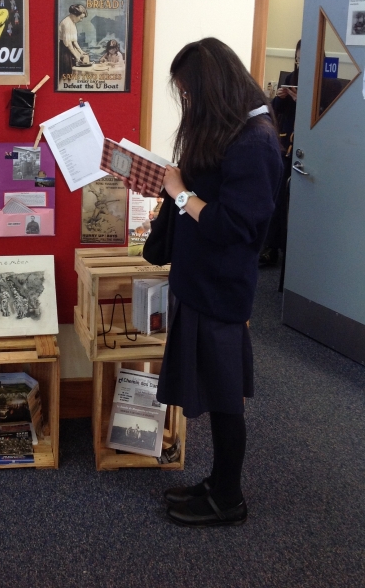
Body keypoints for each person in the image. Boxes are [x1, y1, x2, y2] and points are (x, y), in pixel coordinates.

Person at [130, 38, 282, 528]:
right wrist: (174, 184)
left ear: (211, 88)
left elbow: (234, 229)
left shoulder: (256, 142)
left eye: (189, 96)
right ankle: (217, 482)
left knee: (224, 394)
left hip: (222, 289)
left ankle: (229, 497)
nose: (187, 105)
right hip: (201, 283)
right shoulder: (230, 132)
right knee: (217, 392)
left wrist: (179, 194)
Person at [259, 39, 300, 267]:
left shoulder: (324, 83)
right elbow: (276, 111)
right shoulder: (290, 78)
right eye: (298, 58)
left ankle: (283, 248)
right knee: (276, 194)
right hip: (286, 140)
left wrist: (301, 100)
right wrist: (280, 97)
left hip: (302, 140)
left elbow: (320, 115)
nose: (300, 62)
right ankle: (271, 247)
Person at [58, 4, 89, 76]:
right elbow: (68, 43)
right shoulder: (67, 23)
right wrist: (76, 56)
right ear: (74, 15)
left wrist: (81, 52)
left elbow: (74, 41)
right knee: (67, 70)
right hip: (64, 50)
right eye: (81, 18)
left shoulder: (72, 22)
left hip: (69, 48)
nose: (81, 20)